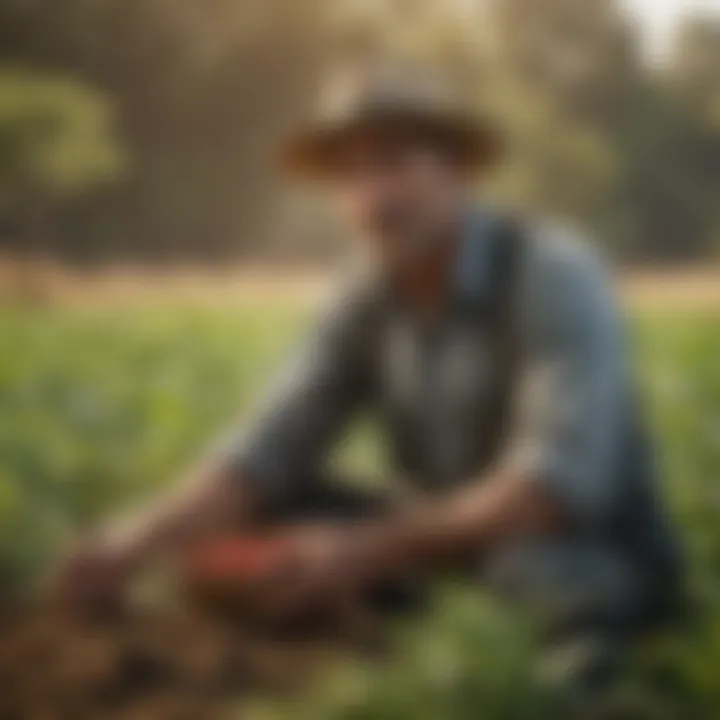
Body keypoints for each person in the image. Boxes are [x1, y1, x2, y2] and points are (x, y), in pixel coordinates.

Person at [55, 66, 683, 704]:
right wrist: (131, 544)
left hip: (587, 551)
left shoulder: (551, 270)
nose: (374, 196)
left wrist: (366, 550)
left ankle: (561, 686)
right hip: (443, 549)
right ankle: (375, 634)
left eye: (395, 164)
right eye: (351, 175)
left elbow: (557, 488)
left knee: (527, 568)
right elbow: (268, 449)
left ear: (457, 170)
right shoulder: (366, 294)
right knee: (258, 521)